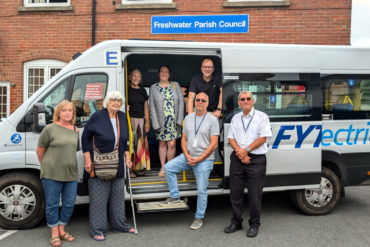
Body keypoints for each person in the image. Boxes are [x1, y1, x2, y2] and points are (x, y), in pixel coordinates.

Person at [160, 92, 219, 230]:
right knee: (168, 168)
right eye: (197, 100)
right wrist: (187, 156)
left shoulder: (212, 120)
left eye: (203, 100)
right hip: (188, 156)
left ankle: (199, 217)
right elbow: (184, 139)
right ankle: (175, 197)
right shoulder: (189, 117)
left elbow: (214, 144)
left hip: (204, 160)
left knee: (201, 190)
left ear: (207, 103)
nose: (199, 102)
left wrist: (199, 158)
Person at [82, 91, 135, 241]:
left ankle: (119, 225)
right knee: (98, 198)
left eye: (119, 100)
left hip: (117, 161)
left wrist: (127, 157)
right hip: (98, 162)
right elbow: (85, 138)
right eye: (113, 100)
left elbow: (124, 141)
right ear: (107, 101)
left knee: (118, 196)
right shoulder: (98, 116)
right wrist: (87, 159)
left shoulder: (123, 117)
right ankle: (97, 229)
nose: (116, 102)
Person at [224, 90, 272, 238]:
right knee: (235, 193)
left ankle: (254, 224)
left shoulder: (262, 117)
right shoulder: (235, 118)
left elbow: (263, 138)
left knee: (254, 195)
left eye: (248, 99)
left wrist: (246, 150)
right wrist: (240, 152)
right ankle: (236, 222)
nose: (245, 101)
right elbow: (231, 138)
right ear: (239, 102)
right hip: (238, 158)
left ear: (253, 101)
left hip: (256, 160)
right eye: (242, 99)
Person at [36, 100, 79, 247]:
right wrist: (47, 166)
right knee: (52, 204)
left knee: (69, 203)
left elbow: (73, 150)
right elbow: (40, 150)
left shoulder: (75, 130)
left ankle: (62, 229)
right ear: (58, 113)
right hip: (51, 173)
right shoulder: (49, 129)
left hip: (71, 173)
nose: (67, 113)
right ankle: (54, 233)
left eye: (70, 110)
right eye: (64, 110)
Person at [149, 65, 184, 176]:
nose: (164, 74)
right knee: (162, 143)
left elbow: (182, 102)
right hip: (161, 122)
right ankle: (163, 167)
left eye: (166, 72)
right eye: (162, 72)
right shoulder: (153, 87)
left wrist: (180, 119)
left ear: (169, 74)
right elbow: (152, 106)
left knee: (172, 144)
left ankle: (169, 167)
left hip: (173, 121)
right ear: (159, 73)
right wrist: (155, 122)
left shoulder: (175, 85)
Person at [127, 69, 151, 178]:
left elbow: (146, 107)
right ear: (130, 78)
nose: (136, 78)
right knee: (131, 145)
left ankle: (139, 168)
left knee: (140, 145)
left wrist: (147, 122)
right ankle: (130, 169)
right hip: (130, 119)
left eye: (138, 76)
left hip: (141, 120)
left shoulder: (142, 91)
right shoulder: (126, 90)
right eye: (134, 76)